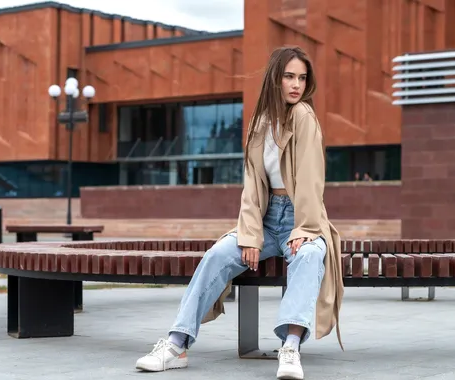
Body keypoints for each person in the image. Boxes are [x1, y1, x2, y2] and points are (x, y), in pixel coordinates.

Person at [135, 46, 345, 379]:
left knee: (309, 257)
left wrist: (305, 227)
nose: (296, 85)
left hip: (302, 219)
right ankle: (176, 344)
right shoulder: (260, 123)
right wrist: (250, 234)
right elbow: (252, 185)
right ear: (275, 79)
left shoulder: (304, 115)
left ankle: (290, 347)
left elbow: (310, 176)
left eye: (302, 78)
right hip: (264, 219)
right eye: (289, 76)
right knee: (218, 254)